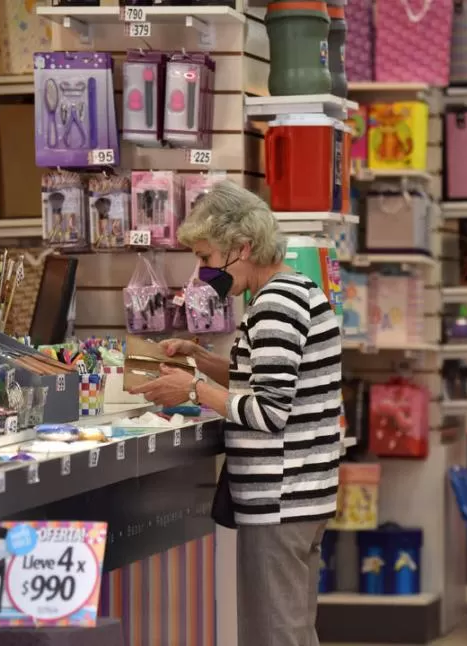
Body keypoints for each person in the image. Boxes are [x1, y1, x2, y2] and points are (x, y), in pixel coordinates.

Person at [130, 179, 342, 646]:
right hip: (303, 492)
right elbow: (269, 379)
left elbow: (269, 411)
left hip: (281, 496)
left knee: (274, 632)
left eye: (206, 258)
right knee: (292, 627)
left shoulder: (274, 307)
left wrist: (194, 387)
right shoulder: (297, 291)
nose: (203, 272)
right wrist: (200, 359)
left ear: (242, 247)